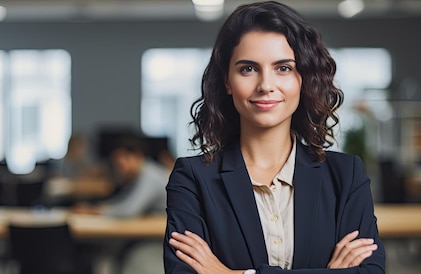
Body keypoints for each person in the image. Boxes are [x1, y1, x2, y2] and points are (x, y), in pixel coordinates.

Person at [164, 2, 385, 274]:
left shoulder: (346, 175)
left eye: (283, 68)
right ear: (227, 82)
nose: (266, 85)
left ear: (303, 78)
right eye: (248, 69)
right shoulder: (193, 178)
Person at [73, 133, 169, 217]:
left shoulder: (150, 175)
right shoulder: (139, 174)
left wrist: (93, 211)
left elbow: (129, 210)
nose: (120, 170)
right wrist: (95, 208)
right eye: (117, 165)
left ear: (138, 155)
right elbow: (123, 202)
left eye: (122, 165)